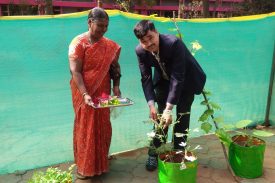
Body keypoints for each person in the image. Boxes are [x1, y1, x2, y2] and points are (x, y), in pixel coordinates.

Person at [133, 20, 206, 171]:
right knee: (160, 118)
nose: (148, 44)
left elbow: (178, 77)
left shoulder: (174, 43)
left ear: (156, 32)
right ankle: (154, 153)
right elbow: (145, 77)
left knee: (182, 116)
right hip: (164, 81)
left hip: (186, 80)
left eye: (150, 38)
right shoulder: (141, 51)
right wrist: (151, 104)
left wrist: (169, 108)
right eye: (143, 41)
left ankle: (178, 152)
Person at [68, 7, 121, 182]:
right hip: (83, 92)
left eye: (106, 26)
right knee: (86, 128)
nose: (103, 29)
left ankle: (100, 162)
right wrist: (84, 94)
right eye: (100, 25)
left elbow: (115, 67)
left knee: (103, 126)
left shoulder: (109, 45)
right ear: (90, 22)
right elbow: (75, 72)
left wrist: (116, 87)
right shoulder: (78, 43)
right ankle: (84, 167)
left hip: (103, 92)